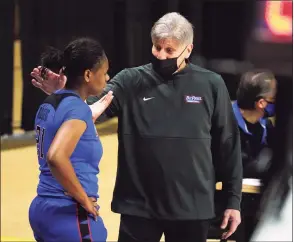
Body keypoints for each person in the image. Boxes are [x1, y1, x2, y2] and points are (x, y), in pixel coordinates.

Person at [31, 12, 242, 242]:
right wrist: (66, 92)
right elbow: (87, 111)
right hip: (138, 209)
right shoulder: (130, 80)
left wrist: (233, 201)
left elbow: (228, 144)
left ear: (188, 50)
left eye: (169, 51)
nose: (161, 55)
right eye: (156, 47)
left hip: (192, 208)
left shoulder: (211, 84)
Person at [29, 37, 114, 242]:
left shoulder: (50, 102)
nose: (107, 77)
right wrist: (84, 200)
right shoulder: (77, 110)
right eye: (103, 73)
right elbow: (56, 157)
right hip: (69, 214)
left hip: (43, 208)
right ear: (87, 75)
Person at [231, 70, 277, 242]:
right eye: (275, 96)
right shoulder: (219, 122)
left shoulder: (266, 128)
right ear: (261, 103)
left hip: (253, 204)